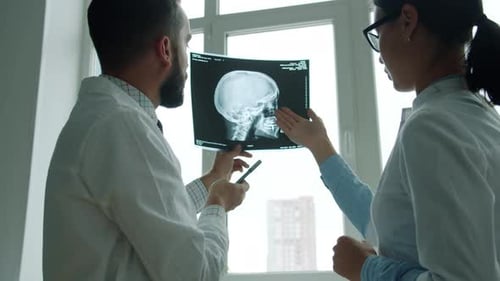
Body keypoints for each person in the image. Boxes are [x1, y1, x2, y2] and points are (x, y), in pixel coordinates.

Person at [276, 0, 500, 280]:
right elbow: (391, 229)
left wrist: (365, 269)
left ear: (408, 20)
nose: (379, 54)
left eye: (377, 33)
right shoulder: (478, 115)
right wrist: (320, 146)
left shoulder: (433, 126)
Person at [43, 0, 252, 280]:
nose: (187, 58)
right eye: (186, 42)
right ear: (166, 49)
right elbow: (196, 273)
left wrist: (213, 177)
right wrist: (218, 205)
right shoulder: (124, 126)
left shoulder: (103, 118)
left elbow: (154, 216)